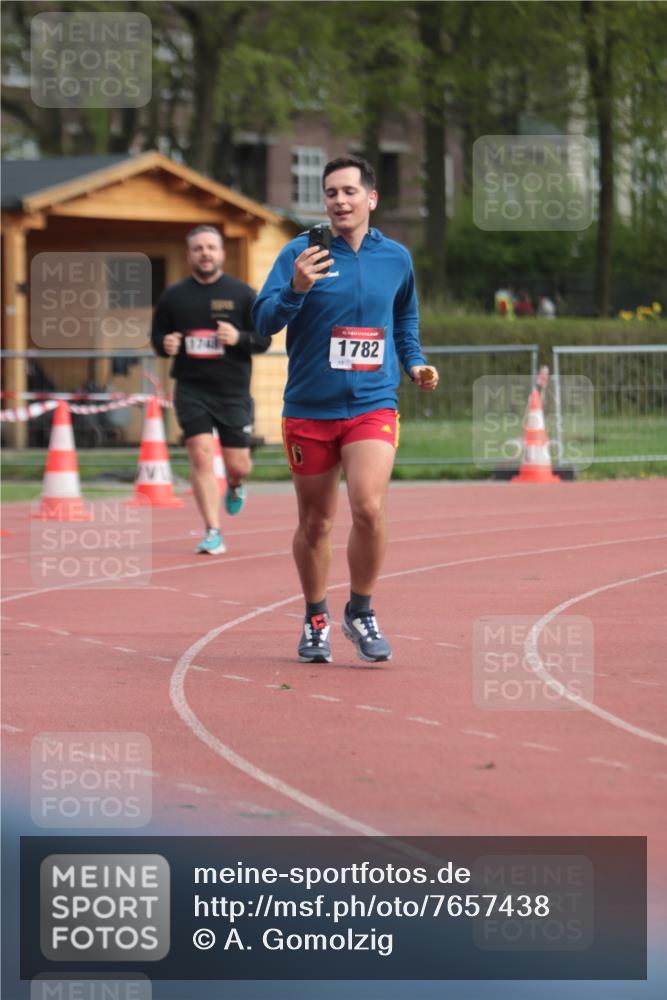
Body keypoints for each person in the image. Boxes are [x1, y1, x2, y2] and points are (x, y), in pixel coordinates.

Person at [252, 155, 438, 664]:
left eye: (349, 192)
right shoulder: (299, 253)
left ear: (370, 199)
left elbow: (405, 320)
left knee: (369, 506)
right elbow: (262, 323)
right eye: (331, 192)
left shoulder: (396, 257)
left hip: (372, 403)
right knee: (315, 521)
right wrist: (296, 288)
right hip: (310, 407)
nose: (339, 201)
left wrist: (415, 364)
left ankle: (360, 610)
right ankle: (315, 618)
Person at [151, 225, 270, 554]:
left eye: (211, 248)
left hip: (232, 390)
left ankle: (235, 484)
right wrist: (166, 343)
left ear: (222, 254)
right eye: (198, 248)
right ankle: (212, 531)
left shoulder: (243, 294)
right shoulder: (173, 297)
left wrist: (239, 338)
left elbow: (263, 339)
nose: (205, 253)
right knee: (200, 456)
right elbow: (158, 338)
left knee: (238, 464)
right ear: (189, 255)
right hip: (192, 388)